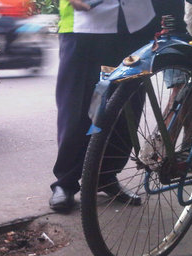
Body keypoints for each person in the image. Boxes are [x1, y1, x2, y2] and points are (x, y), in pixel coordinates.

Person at [49, 0, 160, 211]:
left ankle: (107, 176)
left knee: (128, 107)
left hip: (136, 22)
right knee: (77, 109)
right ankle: (66, 181)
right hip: (84, 24)